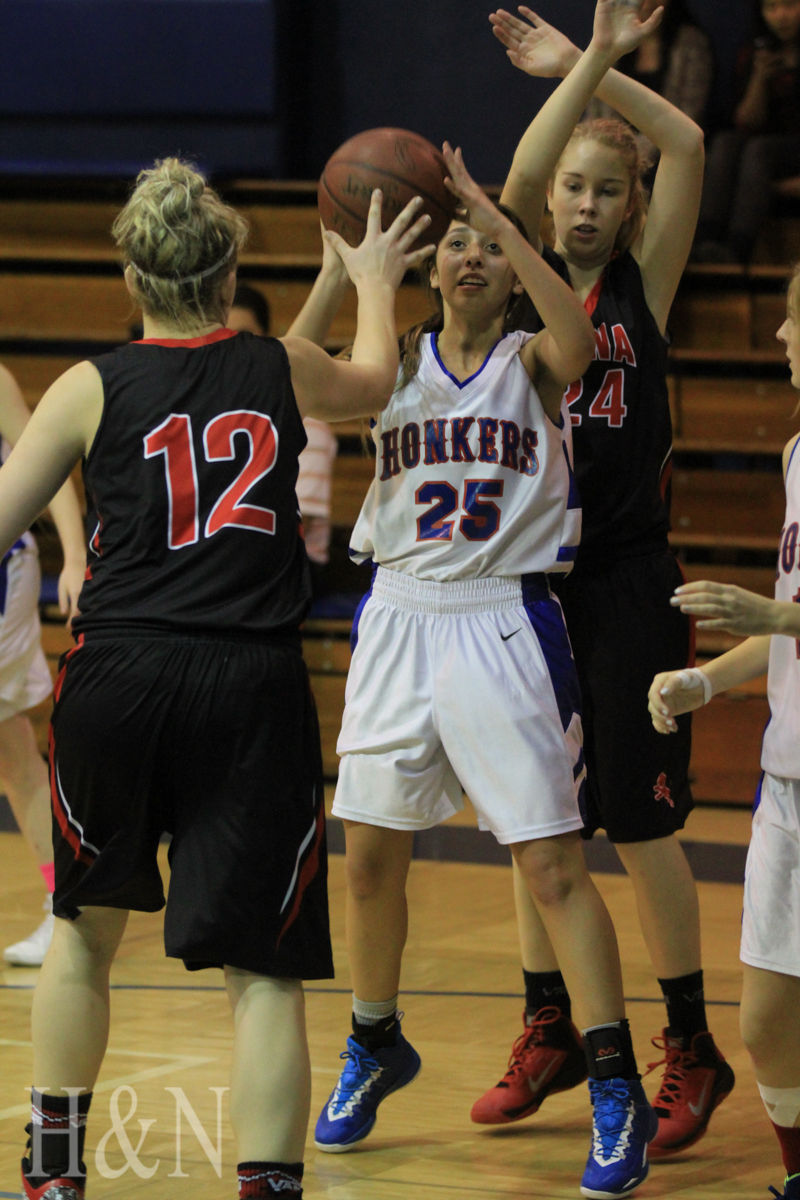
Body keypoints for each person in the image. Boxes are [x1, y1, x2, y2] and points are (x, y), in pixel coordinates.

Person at [0, 157, 434, 1200]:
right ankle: (267, 1187)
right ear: (229, 262)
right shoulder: (276, 367)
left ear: (130, 276)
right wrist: (371, 277)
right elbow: (370, 384)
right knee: (264, 973)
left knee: (81, 935)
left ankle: (55, 1176)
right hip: (246, 683)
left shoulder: (87, 385)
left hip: (120, 674)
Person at [312, 17, 676, 1195]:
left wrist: (494, 215)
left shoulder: (532, 356)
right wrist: (341, 262)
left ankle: (611, 1076)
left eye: (486, 246)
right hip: (398, 618)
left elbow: (572, 327)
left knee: (552, 868)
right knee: (366, 859)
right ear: (422, 267)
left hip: (505, 620)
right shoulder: (386, 363)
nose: (468, 257)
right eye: (453, 247)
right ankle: (375, 1037)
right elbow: (285, 365)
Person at [472, 0, 734, 1160]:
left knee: (636, 826)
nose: (579, 203)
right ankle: (552, 1025)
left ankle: (690, 1044)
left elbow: (682, 142)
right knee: (540, 824)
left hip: (625, 581)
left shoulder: (647, 286)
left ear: (628, 209)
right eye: (570, 188)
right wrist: (572, 73)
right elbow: (520, 169)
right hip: (528, 584)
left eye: (600, 190)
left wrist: (599, 68)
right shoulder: (523, 278)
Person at [647, 261, 800, 1200]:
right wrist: (707, 679)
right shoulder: (795, 452)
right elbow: (785, 623)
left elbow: (784, 617)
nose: (781, 338)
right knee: (767, 1017)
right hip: (788, 777)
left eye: (794, 320)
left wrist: (775, 620)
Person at [0, 362, 84, 967]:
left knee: (9, 745)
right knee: (10, 749)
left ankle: (66, 903)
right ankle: (64, 900)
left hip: (4, 570)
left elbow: (50, 464)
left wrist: (76, 557)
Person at [228, 281, 339, 597]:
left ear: (268, 340)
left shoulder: (309, 419)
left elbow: (282, 526)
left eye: (245, 337)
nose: (234, 349)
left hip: (293, 561)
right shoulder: (205, 408)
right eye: (224, 338)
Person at [693, 0, 800, 264]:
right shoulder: (755, 52)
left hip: (786, 151)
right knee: (726, 142)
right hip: (763, 151)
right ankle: (705, 241)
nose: (781, 16)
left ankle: (737, 250)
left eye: (789, 5)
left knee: (759, 150)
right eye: (771, 8)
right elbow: (746, 122)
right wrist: (760, 78)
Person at [587, 0, 714, 183]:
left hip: (665, 151)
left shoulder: (691, 43)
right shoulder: (614, 39)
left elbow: (689, 115)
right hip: (612, 152)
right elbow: (596, 108)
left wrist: (631, 155)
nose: (643, 3)